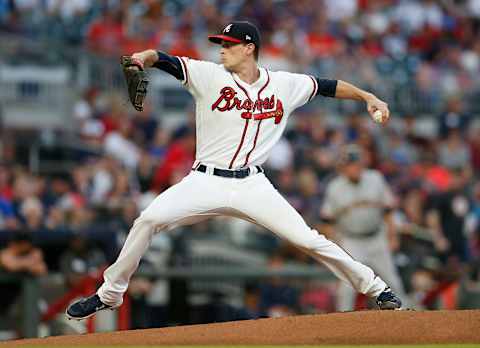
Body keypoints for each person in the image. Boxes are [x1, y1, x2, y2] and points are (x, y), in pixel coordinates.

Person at [67, 21, 401, 320]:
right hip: (204, 180)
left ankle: (377, 290)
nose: (222, 50)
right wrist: (143, 57)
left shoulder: (284, 84)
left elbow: (327, 85)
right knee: (148, 220)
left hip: (252, 184)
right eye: (221, 44)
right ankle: (109, 294)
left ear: (249, 48)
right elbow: (163, 58)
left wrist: (366, 96)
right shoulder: (208, 75)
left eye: (228, 44)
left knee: (308, 239)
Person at [320, 144, 407, 311]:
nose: (355, 168)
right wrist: (336, 245)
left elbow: (388, 210)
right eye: (350, 164)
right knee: (346, 288)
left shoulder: (376, 179)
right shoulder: (335, 187)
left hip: (376, 238)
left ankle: (406, 319)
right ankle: (343, 322)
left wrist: (392, 236)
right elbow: (327, 221)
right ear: (343, 167)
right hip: (351, 241)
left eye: (357, 163)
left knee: (393, 281)